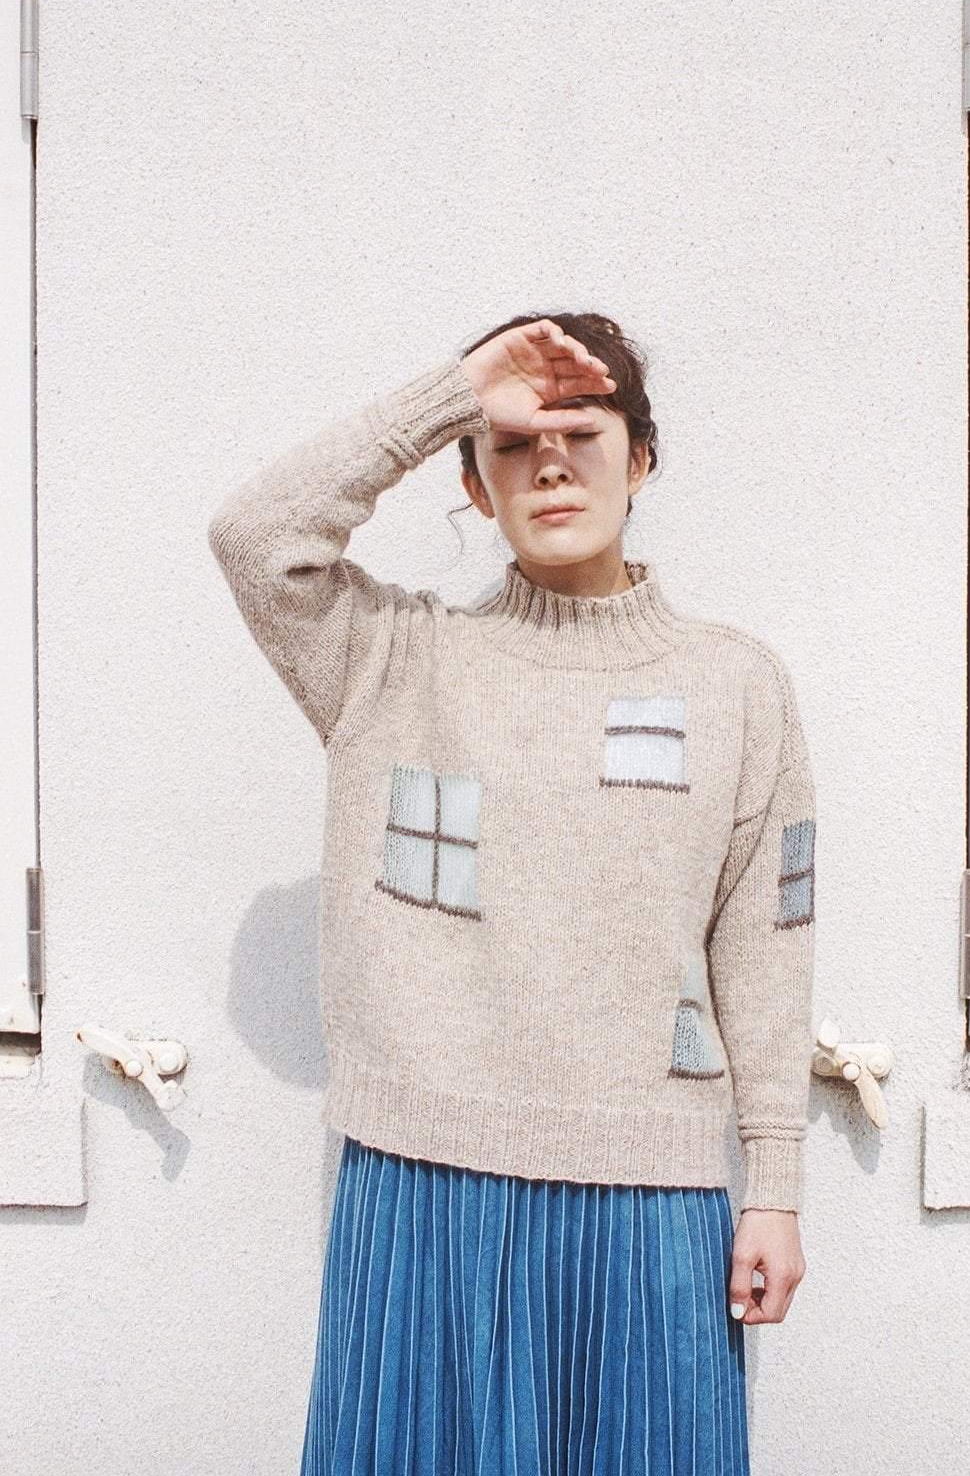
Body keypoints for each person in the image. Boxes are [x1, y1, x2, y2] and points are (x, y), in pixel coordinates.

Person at [207, 312, 819, 1475]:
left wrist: (775, 1186)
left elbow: (764, 945)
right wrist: (450, 393)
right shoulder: (394, 658)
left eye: (582, 432)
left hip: (650, 1192)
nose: (549, 464)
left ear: (641, 457)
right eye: (511, 443)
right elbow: (255, 536)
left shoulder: (735, 684)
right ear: (473, 484)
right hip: (419, 1185)